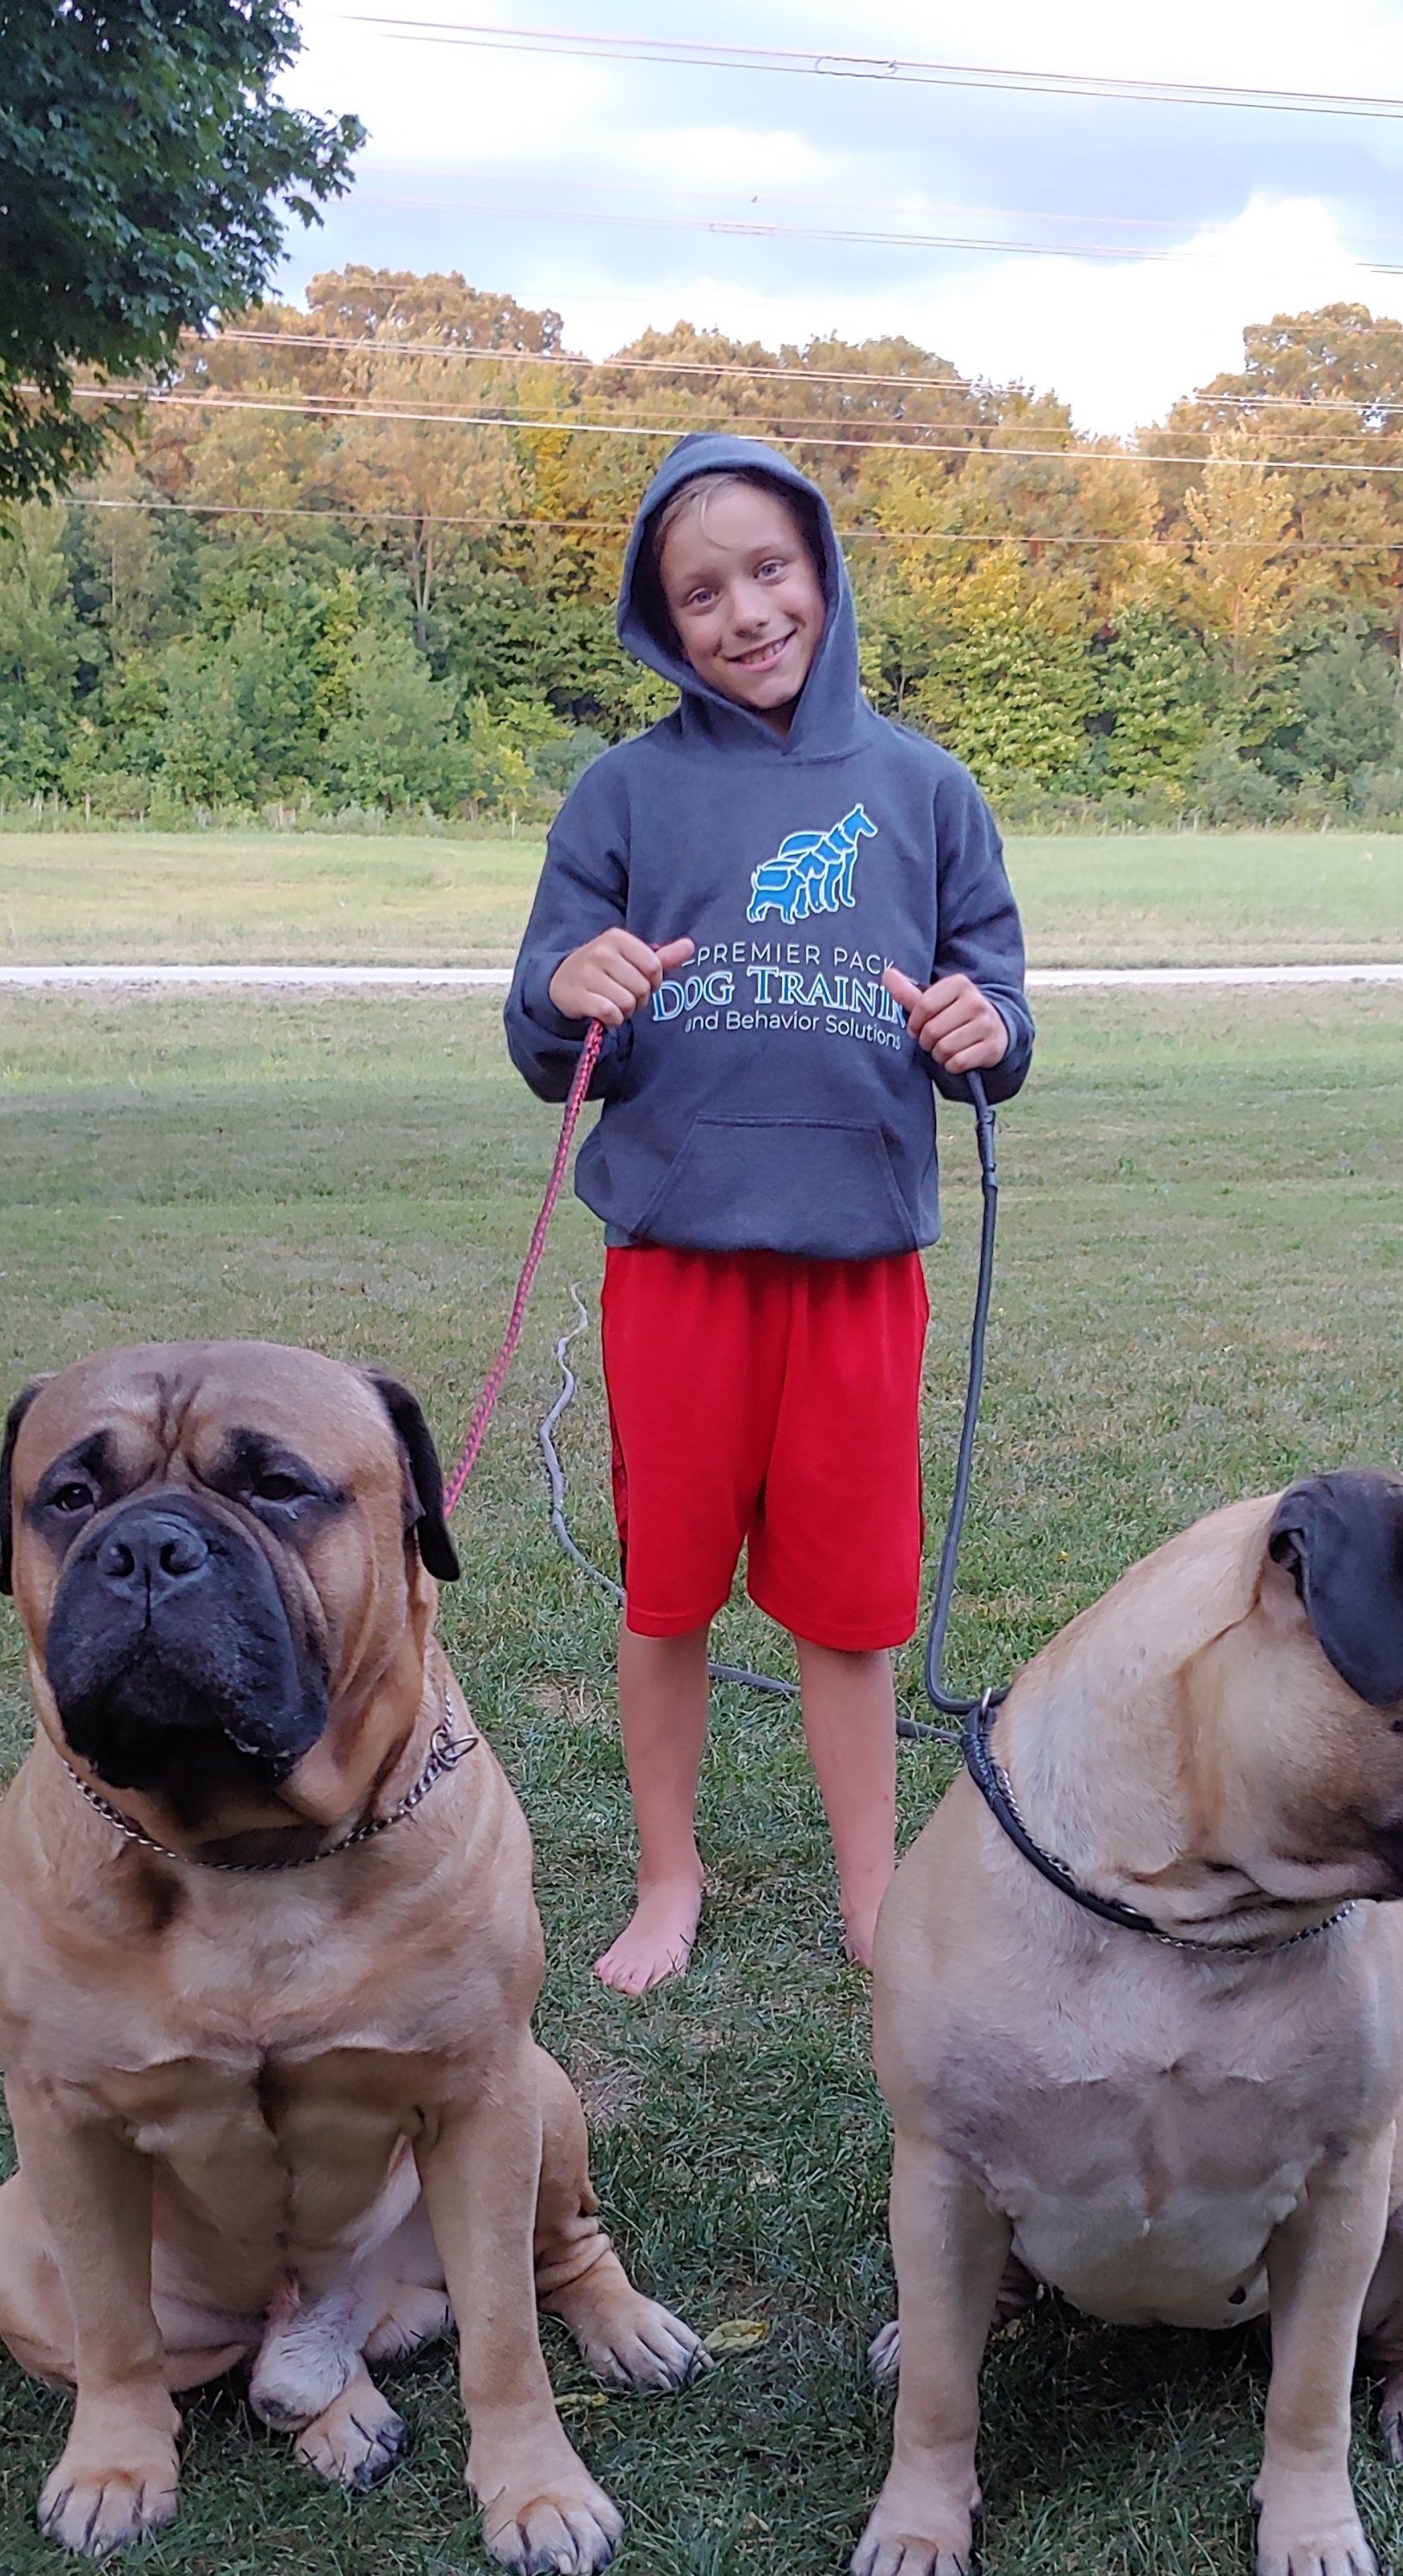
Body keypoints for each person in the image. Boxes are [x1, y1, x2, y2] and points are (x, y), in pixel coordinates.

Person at [505, 432, 1033, 1992]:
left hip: (858, 1266)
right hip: (676, 1266)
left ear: (820, 570)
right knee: (667, 1590)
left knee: (851, 1607)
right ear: (662, 623)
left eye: (768, 571)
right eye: (701, 592)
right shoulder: (623, 794)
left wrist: (987, 1027)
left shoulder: (926, 790)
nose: (744, 612)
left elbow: (997, 999)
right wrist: (567, 987)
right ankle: (668, 1878)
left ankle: (874, 1891)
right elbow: (544, 1029)